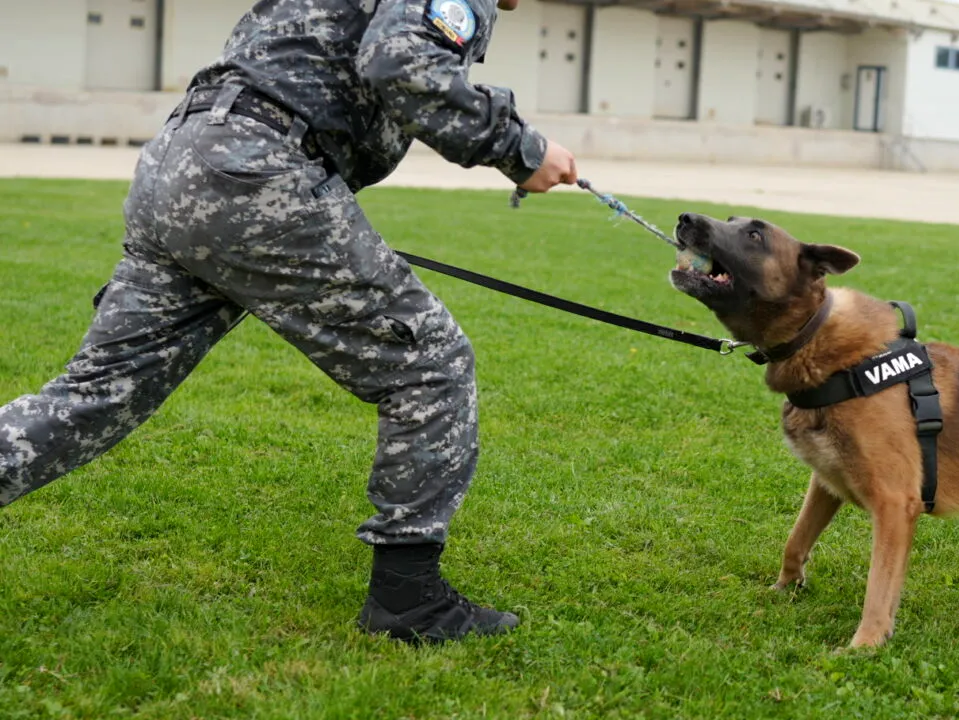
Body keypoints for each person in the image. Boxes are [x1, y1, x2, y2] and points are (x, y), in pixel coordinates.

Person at [0, 0, 578, 644]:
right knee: (430, 366)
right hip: (259, 169)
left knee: (94, 396)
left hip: (185, 159)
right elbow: (398, 61)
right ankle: (408, 602)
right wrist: (520, 148)